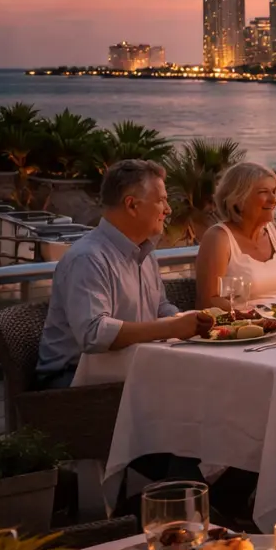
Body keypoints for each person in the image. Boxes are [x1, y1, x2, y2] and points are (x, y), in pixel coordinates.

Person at [35, 160, 213, 389]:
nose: (168, 209)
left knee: (208, 378)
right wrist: (171, 328)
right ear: (131, 205)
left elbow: (160, 308)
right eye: (161, 200)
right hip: (71, 382)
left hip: (133, 363)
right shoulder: (88, 258)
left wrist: (191, 321)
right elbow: (94, 334)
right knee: (192, 387)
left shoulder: (145, 253)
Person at [194, 161, 276, 309]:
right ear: (238, 200)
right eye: (263, 192)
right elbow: (208, 301)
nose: (273, 200)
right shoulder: (219, 238)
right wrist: (257, 318)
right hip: (248, 327)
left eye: (274, 191)